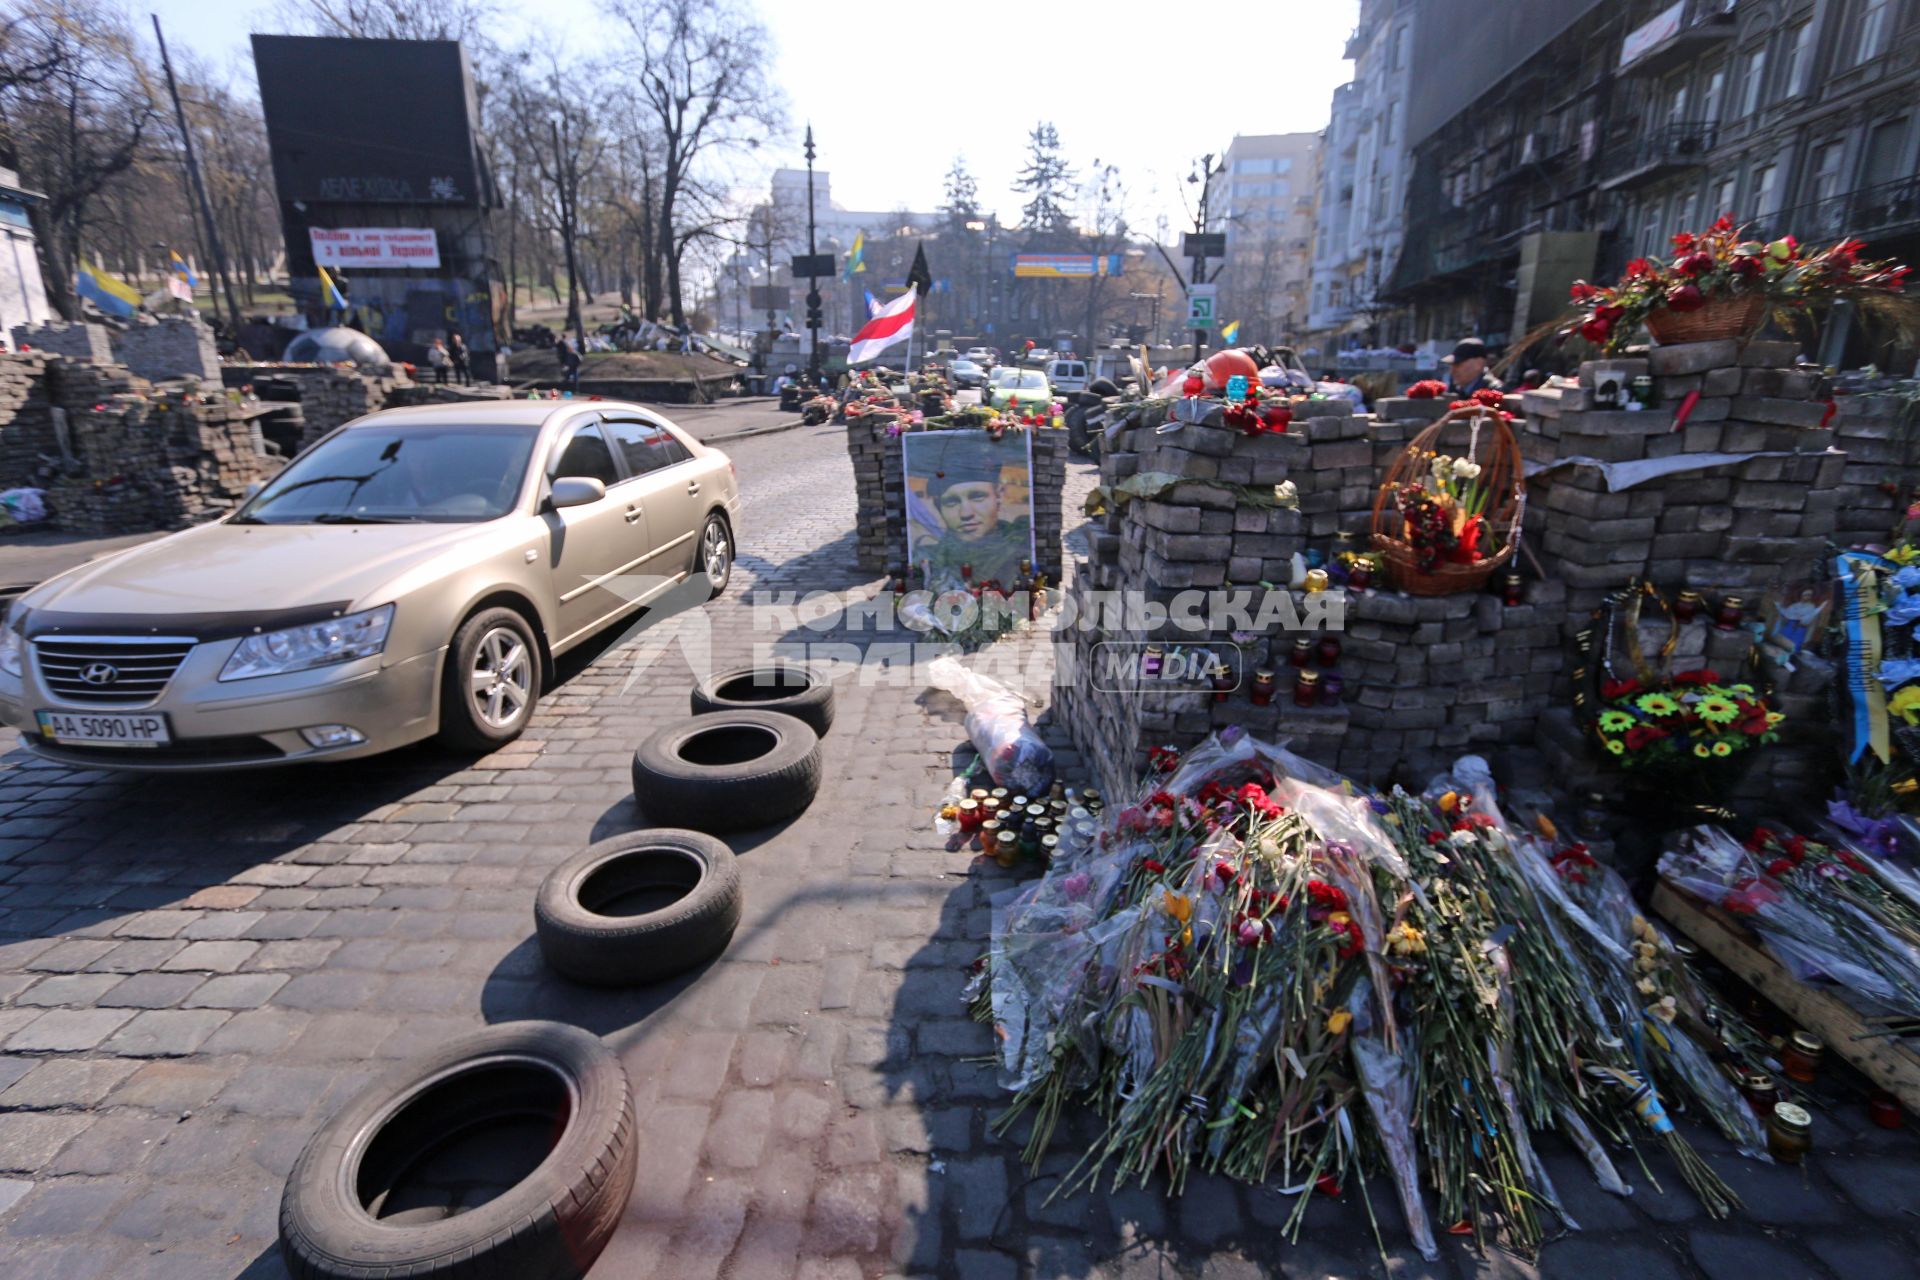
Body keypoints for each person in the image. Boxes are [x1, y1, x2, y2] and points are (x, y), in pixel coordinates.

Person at [916, 447, 1033, 587]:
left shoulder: (1022, 544)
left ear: (999, 495)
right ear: (938, 506)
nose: (966, 513)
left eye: (977, 497)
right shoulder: (929, 559)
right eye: (951, 502)